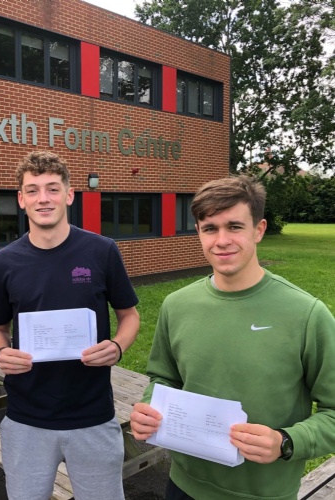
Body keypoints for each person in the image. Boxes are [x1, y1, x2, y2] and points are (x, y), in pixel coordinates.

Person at [130, 175, 335, 500]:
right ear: (198, 232)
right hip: (183, 484)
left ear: (259, 230)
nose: (222, 240)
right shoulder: (176, 305)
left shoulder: (307, 314)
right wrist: (149, 406)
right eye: (210, 228)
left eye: (235, 227)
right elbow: (164, 378)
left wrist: (286, 441)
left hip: (262, 493)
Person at [0, 150, 140, 500]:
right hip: (26, 418)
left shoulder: (102, 251)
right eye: (33, 190)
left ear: (69, 195)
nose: (43, 198)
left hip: (92, 415)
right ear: (21, 199)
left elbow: (129, 315)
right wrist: (0, 353)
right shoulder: (3, 262)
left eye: (53, 189)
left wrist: (117, 347)